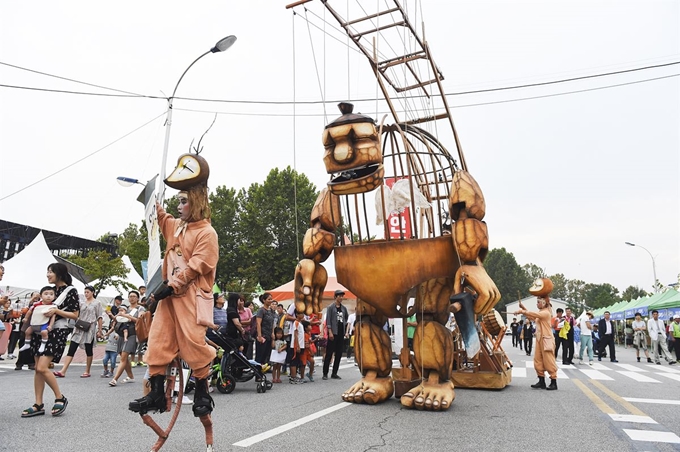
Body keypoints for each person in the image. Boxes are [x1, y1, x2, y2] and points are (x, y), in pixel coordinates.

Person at [129, 159, 219, 426]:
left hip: (191, 298)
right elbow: (160, 218)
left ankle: (202, 392)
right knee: (158, 340)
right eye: (178, 202)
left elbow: (196, 267)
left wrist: (169, 287)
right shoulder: (176, 227)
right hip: (168, 299)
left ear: (196, 201)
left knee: (193, 344)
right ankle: (157, 393)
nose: (178, 207)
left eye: (183, 201)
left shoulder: (207, 233)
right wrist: (150, 197)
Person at [21, 263, 79, 418]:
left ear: (59, 273)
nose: (47, 274)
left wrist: (56, 310)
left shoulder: (70, 291)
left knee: (42, 367)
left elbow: (75, 314)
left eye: (50, 272)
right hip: (38, 331)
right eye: (47, 271)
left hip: (57, 331)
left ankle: (60, 397)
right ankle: (38, 404)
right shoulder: (48, 290)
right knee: (38, 369)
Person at [55, 285, 104, 378]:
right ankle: (63, 370)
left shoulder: (97, 303)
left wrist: (100, 330)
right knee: (72, 347)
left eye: (88, 292)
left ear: (92, 292)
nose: (86, 294)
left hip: (90, 327)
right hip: (79, 327)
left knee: (88, 349)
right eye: (85, 292)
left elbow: (99, 316)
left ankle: (87, 370)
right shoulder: (81, 303)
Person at [514, 293, 558, 390]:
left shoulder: (546, 313)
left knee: (549, 360)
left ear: (543, 303)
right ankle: (541, 381)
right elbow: (533, 317)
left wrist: (522, 311)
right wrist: (523, 309)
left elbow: (534, 315)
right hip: (539, 339)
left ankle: (553, 381)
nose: (537, 304)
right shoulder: (542, 312)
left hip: (546, 339)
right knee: (538, 360)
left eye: (538, 302)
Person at [109, 291, 145, 386]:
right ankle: (130, 376)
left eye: (134, 296)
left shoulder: (140, 308)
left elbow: (139, 320)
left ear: (138, 298)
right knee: (123, 356)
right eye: (130, 296)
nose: (132, 298)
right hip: (121, 333)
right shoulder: (125, 308)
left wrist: (126, 316)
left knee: (124, 357)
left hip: (132, 334)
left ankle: (115, 379)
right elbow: (117, 319)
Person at [20, 286, 56, 354]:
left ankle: (43, 344)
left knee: (44, 333)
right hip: (34, 323)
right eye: (46, 294)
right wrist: (26, 318)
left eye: (51, 294)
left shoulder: (53, 306)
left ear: (54, 296)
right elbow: (29, 311)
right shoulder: (36, 304)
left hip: (44, 323)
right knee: (27, 332)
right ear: (41, 296)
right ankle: (27, 344)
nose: (49, 296)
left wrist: (50, 326)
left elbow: (53, 317)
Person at [322, 289, 349, 380]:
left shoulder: (344, 308)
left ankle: (334, 373)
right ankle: (325, 373)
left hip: (341, 333)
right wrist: (330, 331)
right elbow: (328, 320)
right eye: (339, 296)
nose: (341, 298)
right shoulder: (330, 307)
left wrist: (346, 331)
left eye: (342, 296)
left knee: (339, 353)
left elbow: (346, 318)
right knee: (329, 353)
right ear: (335, 297)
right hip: (333, 332)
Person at [255, 293, 276, 367]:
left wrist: (273, 333)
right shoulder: (261, 310)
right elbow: (258, 323)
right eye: (269, 299)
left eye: (271, 299)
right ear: (264, 300)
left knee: (266, 356)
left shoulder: (271, 311)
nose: (270, 301)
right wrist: (259, 336)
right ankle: (258, 374)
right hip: (263, 335)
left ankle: (262, 372)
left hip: (269, 336)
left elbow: (272, 322)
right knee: (260, 356)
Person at [289, 310, 306, 384]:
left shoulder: (300, 323)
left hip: (301, 345)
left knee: (297, 361)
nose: (303, 315)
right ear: (297, 314)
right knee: (294, 361)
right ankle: (293, 377)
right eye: (301, 313)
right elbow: (295, 334)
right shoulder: (296, 323)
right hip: (295, 346)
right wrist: (297, 346)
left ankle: (295, 375)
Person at [237, 294, 254, 359]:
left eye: (242, 301)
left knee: (249, 352)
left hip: (248, 333)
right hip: (239, 334)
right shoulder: (235, 311)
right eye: (239, 301)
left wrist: (240, 323)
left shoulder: (248, 310)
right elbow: (236, 323)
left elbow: (251, 321)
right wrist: (246, 322)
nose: (241, 303)